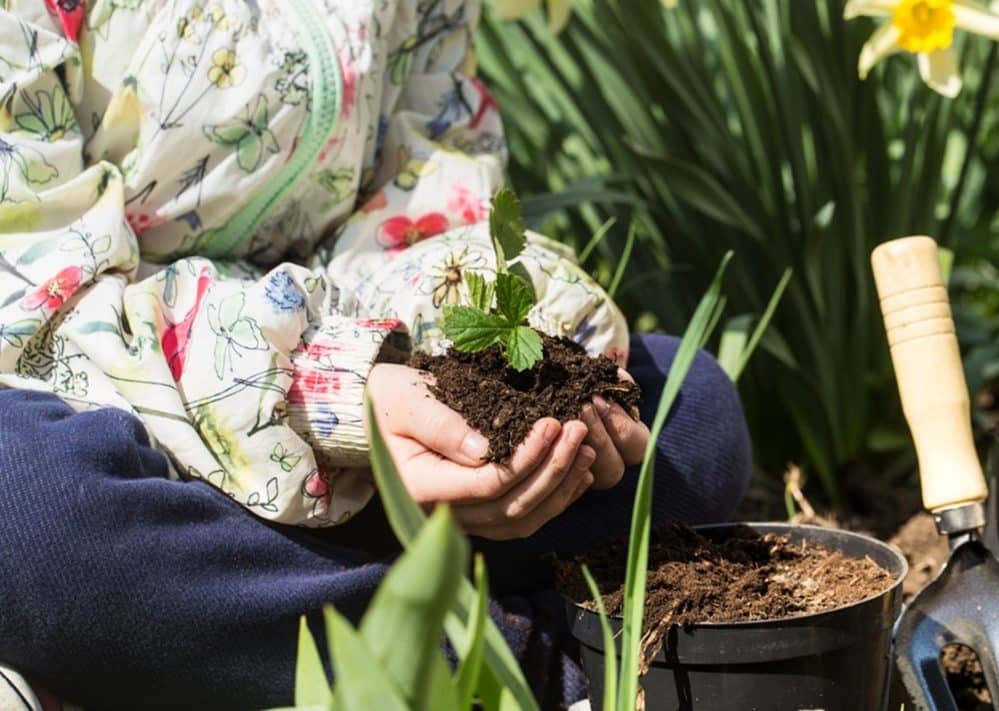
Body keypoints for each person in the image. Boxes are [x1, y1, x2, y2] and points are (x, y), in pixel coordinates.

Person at [0, 0, 752, 708]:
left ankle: (212, 639)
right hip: (87, 390)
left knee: (694, 417)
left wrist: (487, 392)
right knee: (34, 517)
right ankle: (523, 652)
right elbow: (38, 296)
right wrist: (330, 394)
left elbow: (425, 199)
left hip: (336, 430)